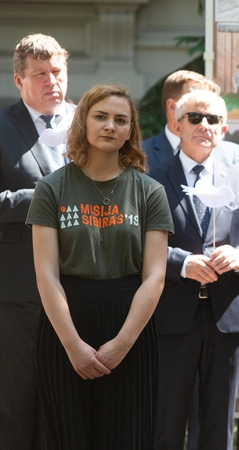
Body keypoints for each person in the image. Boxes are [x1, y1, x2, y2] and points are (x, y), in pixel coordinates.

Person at [26, 84, 173, 449]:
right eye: (101, 116)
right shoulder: (51, 187)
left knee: (128, 438)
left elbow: (154, 276)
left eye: (120, 120)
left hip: (129, 324)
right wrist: (73, 345)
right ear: (84, 123)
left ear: (130, 131)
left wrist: (122, 344)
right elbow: (46, 274)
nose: (110, 126)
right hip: (65, 324)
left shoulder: (150, 191)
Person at [150, 89, 239, 450]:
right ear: (177, 124)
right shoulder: (151, 177)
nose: (205, 125)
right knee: (166, 424)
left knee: (218, 428)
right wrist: (183, 262)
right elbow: (139, 243)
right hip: (171, 315)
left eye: (213, 119)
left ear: (224, 129)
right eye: (195, 118)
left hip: (226, 317)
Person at [0, 33, 73, 450]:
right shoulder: (2, 127)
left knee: (64, 405)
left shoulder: (90, 123)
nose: (52, 81)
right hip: (20, 292)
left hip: (81, 287)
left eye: (58, 71)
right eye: (40, 74)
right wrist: (39, 199)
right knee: (16, 405)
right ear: (19, 80)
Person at [142, 69, 239, 173]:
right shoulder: (141, 153)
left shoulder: (229, 153)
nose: (204, 105)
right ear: (172, 106)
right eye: (194, 99)